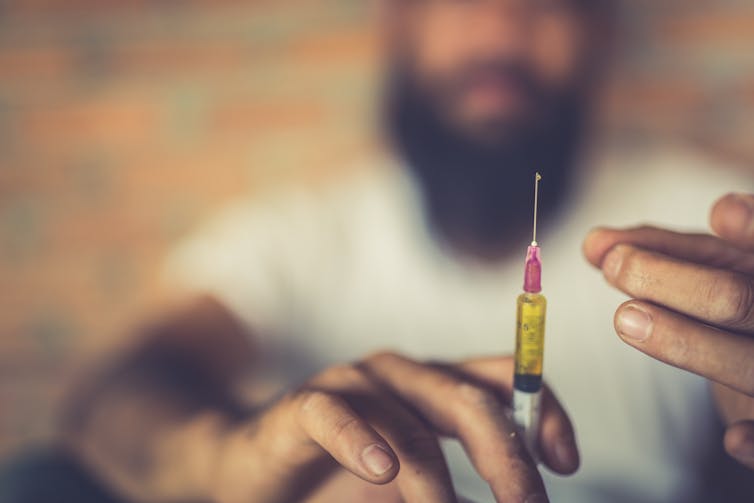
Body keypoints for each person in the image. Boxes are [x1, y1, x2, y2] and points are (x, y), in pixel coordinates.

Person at [62, 1, 754, 502]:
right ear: (399, 20)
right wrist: (220, 461)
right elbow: (117, 389)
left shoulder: (715, 227)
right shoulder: (296, 238)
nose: (498, 26)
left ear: (599, 31)